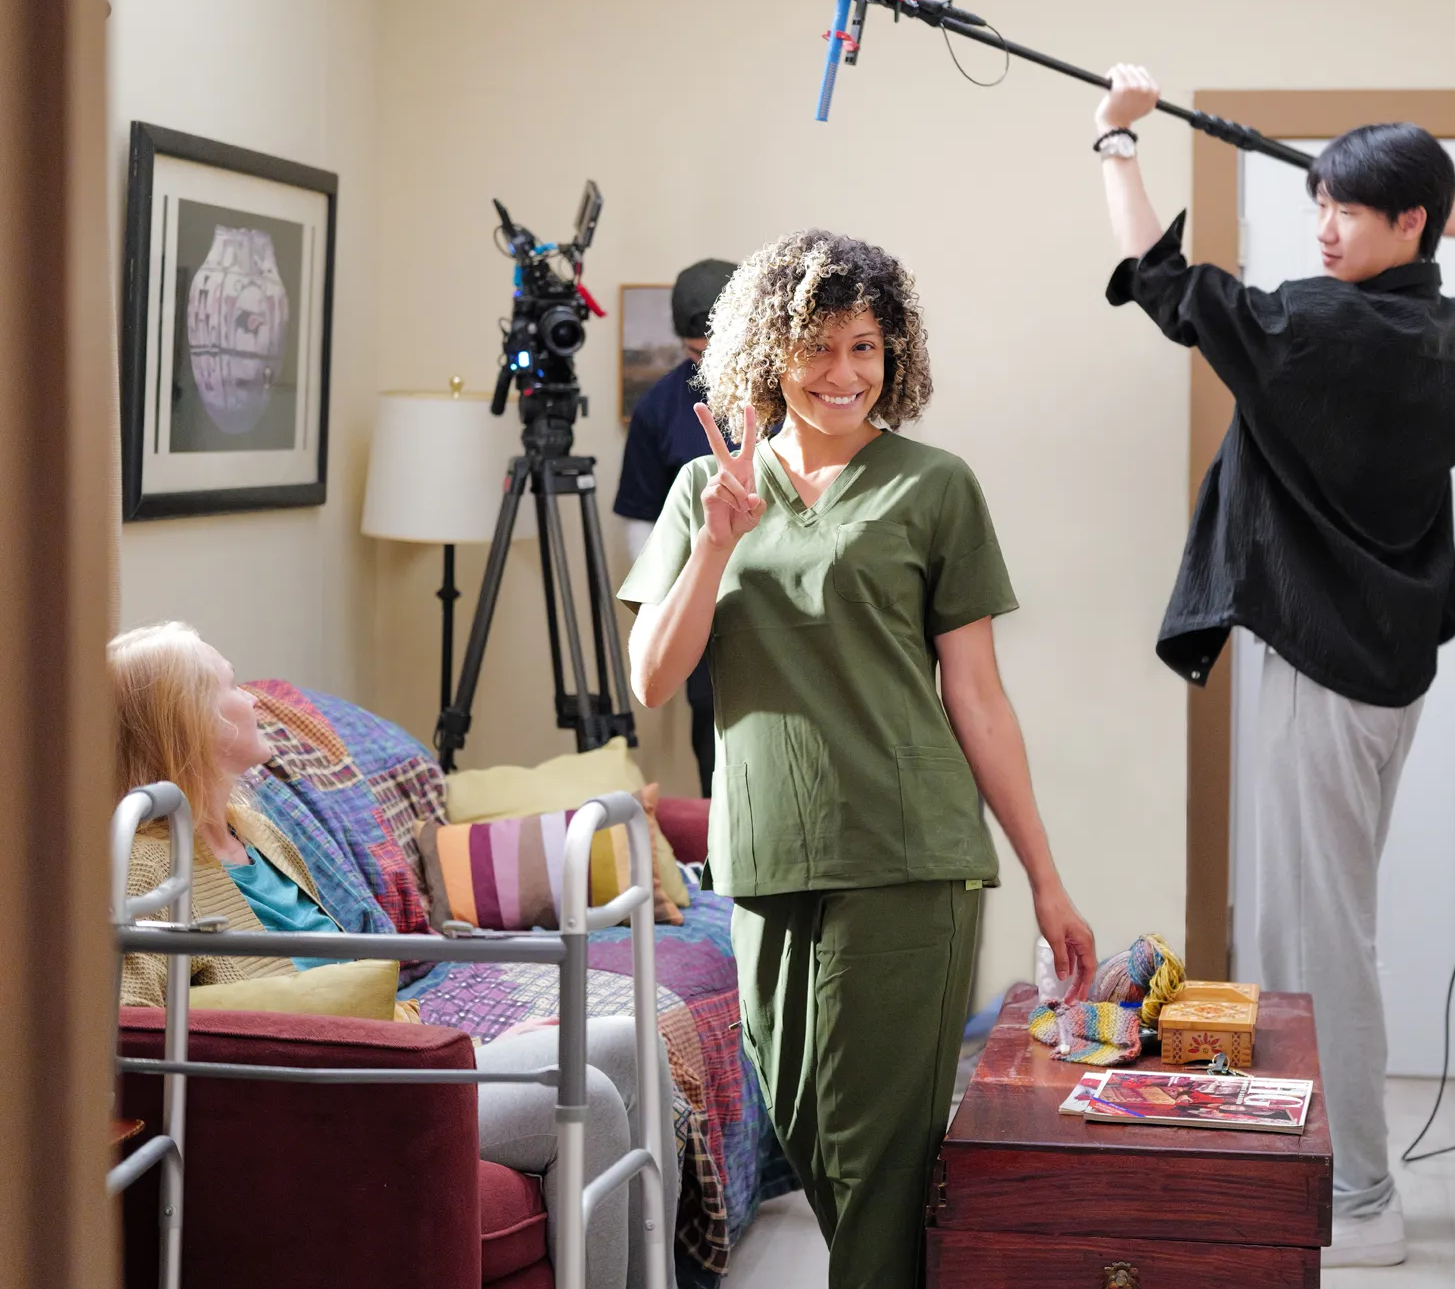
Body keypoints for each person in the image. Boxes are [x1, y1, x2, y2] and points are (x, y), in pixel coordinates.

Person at [1090, 66, 1455, 1266]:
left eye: (1348, 209)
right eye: (1320, 205)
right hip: (1385, 673)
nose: (1325, 228)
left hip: (1321, 664)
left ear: (1405, 220)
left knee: (1313, 942)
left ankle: (1358, 1198)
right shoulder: (1451, 342)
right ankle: (1325, 1174)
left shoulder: (1318, 326)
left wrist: (1114, 145)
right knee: (1316, 926)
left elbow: (1164, 284)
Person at [618, 229, 1097, 1289]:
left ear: (894, 354)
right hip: (765, 859)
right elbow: (652, 678)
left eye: (865, 347)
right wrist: (717, 542)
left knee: (881, 1160)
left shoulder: (935, 487)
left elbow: (977, 698)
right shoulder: (706, 488)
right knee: (808, 1131)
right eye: (818, 347)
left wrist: (1046, 878)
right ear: (768, 352)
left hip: (908, 850)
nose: (844, 373)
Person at [110, 621, 677, 1289]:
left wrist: (468, 1047)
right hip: (325, 1098)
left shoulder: (255, 831)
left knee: (630, 1043)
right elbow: (132, 1033)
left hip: (386, 1060)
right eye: (231, 687)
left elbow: (341, 987)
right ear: (188, 721)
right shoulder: (146, 867)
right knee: (590, 1095)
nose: (255, 700)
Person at [615, 258, 736, 796]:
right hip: (706, 615)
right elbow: (642, 520)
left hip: (795, 608)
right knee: (718, 765)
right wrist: (666, 609)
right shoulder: (659, 409)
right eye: (695, 353)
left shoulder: (799, 392)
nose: (709, 364)